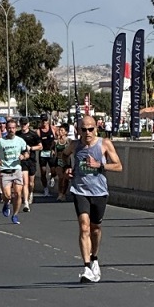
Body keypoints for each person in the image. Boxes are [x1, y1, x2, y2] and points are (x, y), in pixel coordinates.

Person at [61, 115, 123, 283]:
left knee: (95, 228)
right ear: (78, 130)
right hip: (79, 190)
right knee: (84, 226)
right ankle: (87, 267)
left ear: (96, 128)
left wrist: (100, 165)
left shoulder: (104, 144)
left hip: (99, 192)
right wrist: (66, 168)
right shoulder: (74, 145)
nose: (87, 132)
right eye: (84, 129)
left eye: (90, 129)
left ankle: (94, 258)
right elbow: (63, 156)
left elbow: (119, 166)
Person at [0, 119, 29, 224]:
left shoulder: (20, 141)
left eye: (13, 128)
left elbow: (26, 153)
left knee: (18, 193)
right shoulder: (0, 141)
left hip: (17, 169)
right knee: (7, 195)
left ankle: (15, 214)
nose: (11, 130)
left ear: (16, 128)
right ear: (6, 128)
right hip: (5, 171)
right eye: (9, 128)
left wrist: (23, 156)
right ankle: (6, 203)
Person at [17, 117, 42, 211]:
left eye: (25, 124)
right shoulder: (17, 134)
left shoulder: (33, 134)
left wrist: (31, 148)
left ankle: (30, 193)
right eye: (22, 124)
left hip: (31, 160)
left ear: (28, 124)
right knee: (25, 182)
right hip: (22, 161)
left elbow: (40, 146)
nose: (23, 125)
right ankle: (25, 201)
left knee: (31, 183)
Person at [37, 114, 57, 197]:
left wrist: (54, 147)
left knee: (53, 170)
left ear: (48, 121)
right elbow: (37, 142)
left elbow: (57, 138)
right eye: (43, 121)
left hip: (51, 152)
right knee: (43, 172)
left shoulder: (53, 128)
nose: (44, 122)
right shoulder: (39, 131)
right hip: (43, 153)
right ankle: (45, 189)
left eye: (45, 120)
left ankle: (52, 177)